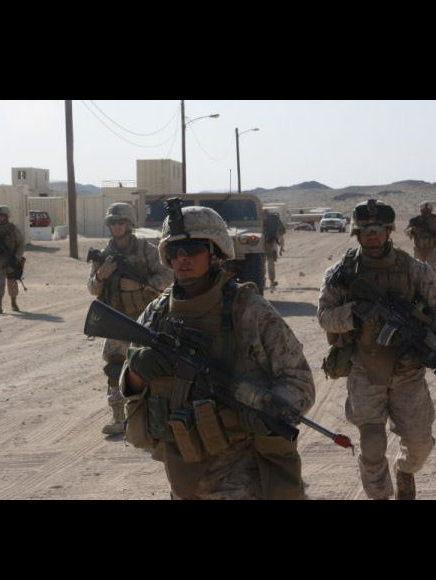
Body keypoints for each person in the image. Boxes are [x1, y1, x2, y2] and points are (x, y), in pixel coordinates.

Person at [119, 201, 315, 499]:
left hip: (243, 470)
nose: (182, 258)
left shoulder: (249, 311)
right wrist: (138, 370)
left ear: (216, 253)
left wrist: (268, 407)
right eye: (174, 251)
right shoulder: (156, 314)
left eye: (193, 249)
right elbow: (130, 385)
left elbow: (300, 382)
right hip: (182, 469)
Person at [318, 198, 436, 500]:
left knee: (420, 444)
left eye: (377, 230)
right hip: (364, 370)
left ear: (389, 231)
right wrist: (354, 313)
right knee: (372, 445)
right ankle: (379, 495)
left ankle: (405, 470)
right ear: (356, 233)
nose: (372, 236)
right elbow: (324, 317)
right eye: (365, 230)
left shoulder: (415, 269)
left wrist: (422, 342)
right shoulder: (340, 273)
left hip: (407, 371)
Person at [87, 202, 171, 436]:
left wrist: (142, 286)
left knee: (147, 367)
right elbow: (92, 289)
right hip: (115, 319)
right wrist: (101, 276)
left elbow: (168, 276)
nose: (116, 226)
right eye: (112, 222)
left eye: (121, 222)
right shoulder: (103, 255)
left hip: (145, 318)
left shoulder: (146, 250)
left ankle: (148, 416)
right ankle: (118, 417)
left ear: (130, 224)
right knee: (115, 367)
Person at [0, 205, 26, 314]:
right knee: (0, 281)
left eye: (2, 215)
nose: (0, 217)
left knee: (12, 280)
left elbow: (21, 243)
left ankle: (13, 302)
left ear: (7, 216)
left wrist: (17, 257)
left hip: (11, 258)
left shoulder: (13, 229)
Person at [405, 201, 436, 274]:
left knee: (431, 267)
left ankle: (434, 281)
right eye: (424, 211)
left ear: (431, 211)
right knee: (418, 267)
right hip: (419, 248)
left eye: (428, 211)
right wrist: (412, 230)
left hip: (431, 248)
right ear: (421, 211)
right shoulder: (416, 220)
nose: (426, 213)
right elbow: (407, 231)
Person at [264, 211, 286, 290]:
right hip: (272, 245)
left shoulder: (259, 219)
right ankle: (272, 282)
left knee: (261, 264)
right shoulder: (275, 221)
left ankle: (263, 283)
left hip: (260, 244)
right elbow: (281, 235)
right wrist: (281, 247)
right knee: (271, 263)